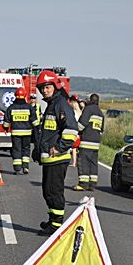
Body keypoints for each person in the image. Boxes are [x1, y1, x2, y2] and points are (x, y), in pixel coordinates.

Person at [33, 70, 79, 236]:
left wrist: (59, 147)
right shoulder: (52, 105)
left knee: (54, 192)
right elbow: (47, 132)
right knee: (48, 191)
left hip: (58, 158)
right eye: (42, 88)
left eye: (47, 87)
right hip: (49, 159)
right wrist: (38, 151)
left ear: (55, 86)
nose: (44, 91)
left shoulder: (61, 104)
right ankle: (52, 220)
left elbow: (72, 130)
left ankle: (57, 225)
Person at [3, 87, 39, 174]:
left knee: (16, 149)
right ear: (25, 96)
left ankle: (17, 168)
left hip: (15, 133)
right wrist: (38, 130)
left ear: (15, 96)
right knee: (26, 149)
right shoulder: (29, 107)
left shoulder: (11, 108)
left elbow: (6, 123)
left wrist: (5, 128)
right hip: (27, 133)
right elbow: (35, 122)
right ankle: (25, 167)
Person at [73, 93, 104, 191]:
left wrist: (76, 131)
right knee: (93, 163)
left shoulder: (88, 109)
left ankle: (83, 184)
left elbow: (81, 125)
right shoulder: (100, 112)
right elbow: (101, 129)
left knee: (83, 162)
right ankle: (92, 184)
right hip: (96, 142)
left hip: (86, 140)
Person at [67, 94, 83, 167]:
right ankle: (74, 162)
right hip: (78, 133)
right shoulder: (80, 112)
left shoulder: (73, 112)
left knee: (70, 147)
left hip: (74, 132)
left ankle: (71, 162)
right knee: (74, 148)